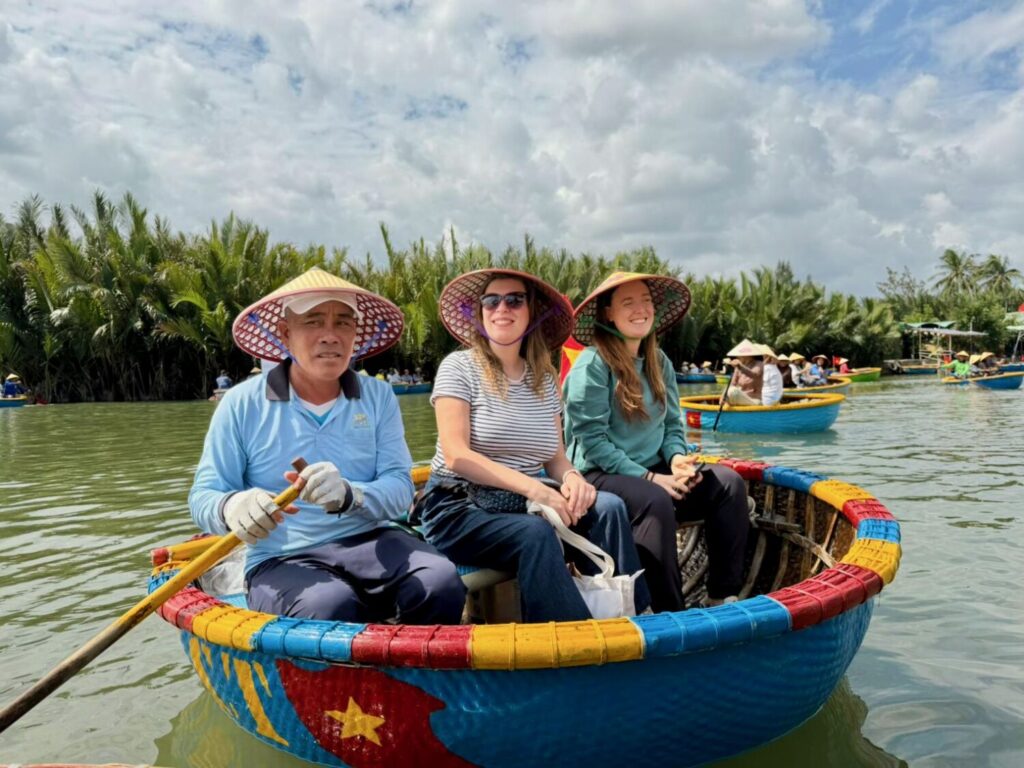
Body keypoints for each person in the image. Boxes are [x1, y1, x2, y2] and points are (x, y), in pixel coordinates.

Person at [189, 267, 466, 624]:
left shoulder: (378, 396)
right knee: (328, 606)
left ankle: (418, 674)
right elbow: (204, 496)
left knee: (439, 582)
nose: (330, 336)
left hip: (371, 537)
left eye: (343, 323)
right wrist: (232, 506)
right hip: (282, 556)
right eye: (314, 322)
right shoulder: (241, 403)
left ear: (355, 334)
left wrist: (352, 495)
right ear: (286, 334)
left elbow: (399, 487)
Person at [414, 268, 649, 622]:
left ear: (532, 312)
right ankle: (573, 645)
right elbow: (457, 455)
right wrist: (538, 491)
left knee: (609, 508)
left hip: (521, 504)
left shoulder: (544, 378)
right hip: (457, 507)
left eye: (514, 300)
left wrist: (571, 478)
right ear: (480, 313)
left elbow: (556, 457)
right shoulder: (459, 367)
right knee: (536, 534)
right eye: (491, 301)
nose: (501, 308)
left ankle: (631, 619)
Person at [563, 271, 750, 610]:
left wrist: (677, 460)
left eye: (646, 301)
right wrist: (651, 478)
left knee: (728, 484)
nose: (640, 310)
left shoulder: (658, 361)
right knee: (654, 501)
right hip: (598, 474)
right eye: (628, 303)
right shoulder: (592, 364)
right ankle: (670, 610)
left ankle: (721, 596)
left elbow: (672, 426)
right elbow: (592, 442)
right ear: (608, 313)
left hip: (654, 471)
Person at [723, 339, 764, 405]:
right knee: (729, 390)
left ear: (748, 355)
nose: (737, 357)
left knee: (733, 392)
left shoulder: (760, 364)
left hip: (756, 400)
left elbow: (754, 374)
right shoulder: (738, 367)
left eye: (740, 355)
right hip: (742, 398)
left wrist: (740, 366)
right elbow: (732, 384)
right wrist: (723, 397)